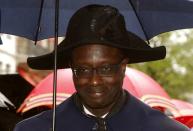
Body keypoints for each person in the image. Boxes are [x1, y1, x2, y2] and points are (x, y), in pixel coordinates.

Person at [14, 4, 190, 131]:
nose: (94, 81)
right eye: (83, 70)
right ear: (71, 67)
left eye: (106, 69)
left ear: (123, 67)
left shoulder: (164, 129)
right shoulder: (35, 128)